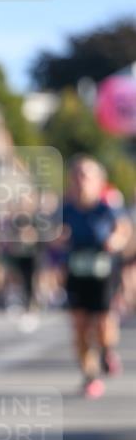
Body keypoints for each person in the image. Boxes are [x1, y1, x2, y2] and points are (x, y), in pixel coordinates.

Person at [59, 156, 131, 398]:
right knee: (79, 325)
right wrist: (58, 239)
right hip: (77, 269)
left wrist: (116, 240)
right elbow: (54, 235)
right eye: (77, 175)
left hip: (103, 270)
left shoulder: (107, 207)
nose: (81, 181)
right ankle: (90, 376)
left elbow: (123, 228)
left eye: (86, 176)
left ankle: (107, 350)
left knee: (102, 323)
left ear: (99, 181)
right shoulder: (66, 208)